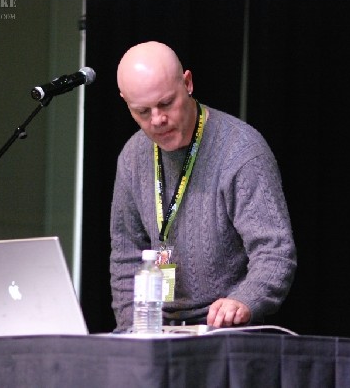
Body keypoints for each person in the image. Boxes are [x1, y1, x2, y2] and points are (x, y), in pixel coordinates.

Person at [110, 41, 297, 332]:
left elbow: (274, 251)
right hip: (153, 329)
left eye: (166, 103)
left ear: (188, 83)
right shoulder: (132, 157)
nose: (157, 119)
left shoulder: (242, 150)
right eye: (142, 111)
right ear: (126, 103)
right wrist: (130, 330)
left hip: (221, 331)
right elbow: (125, 257)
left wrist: (244, 300)